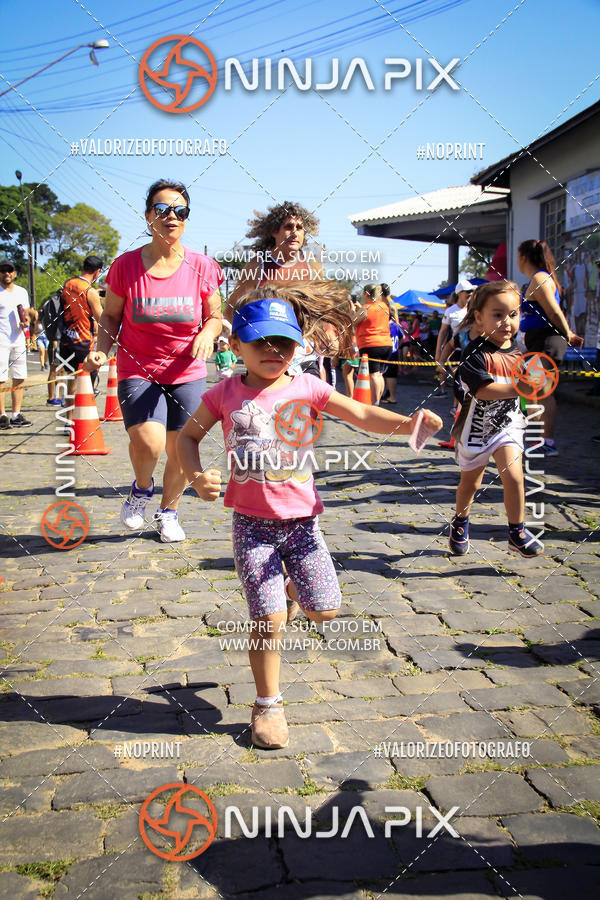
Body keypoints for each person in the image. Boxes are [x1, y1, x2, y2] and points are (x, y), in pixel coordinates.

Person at [177, 283, 442, 749]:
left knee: (324, 610)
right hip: (252, 527)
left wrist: (408, 424)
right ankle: (267, 705)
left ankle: (293, 589)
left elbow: (361, 413)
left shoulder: (309, 386)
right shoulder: (223, 394)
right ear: (235, 345)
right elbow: (186, 438)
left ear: (298, 346)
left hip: (303, 525)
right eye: (260, 341)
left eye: (283, 341)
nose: (273, 350)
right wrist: (197, 478)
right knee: (268, 620)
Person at [84, 179, 223, 542]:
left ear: (187, 218)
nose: (171, 216)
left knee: (180, 448)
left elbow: (215, 315)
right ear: (148, 217)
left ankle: (169, 511)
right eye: (162, 209)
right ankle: (141, 488)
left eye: (180, 210)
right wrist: (103, 348)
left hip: (187, 371)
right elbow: (111, 316)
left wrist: (208, 334)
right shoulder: (126, 266)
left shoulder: (203, 266)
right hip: (138, 368)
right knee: (149, 443)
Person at [449, 281, 544, 559]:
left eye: (513, 314)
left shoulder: (518, 351)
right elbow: (483, 390)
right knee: (470, 484)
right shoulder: (474, 353)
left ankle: (517, 532)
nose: (506, 322)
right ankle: (460, 520)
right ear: (479, 316)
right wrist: (519, 388)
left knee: (514, 476)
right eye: (498, 314)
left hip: (508, 426)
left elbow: (527, 385)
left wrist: (532, 400)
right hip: (476, 428)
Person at [517, 239, 583, 456]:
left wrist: (569, 333)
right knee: (532, 391)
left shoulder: (540, 278)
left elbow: (554, 312)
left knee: (543, 390)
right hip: (536, 341)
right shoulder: (532, 281)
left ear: (523, 257)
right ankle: (536, 439)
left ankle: (547, 441)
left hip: (548, 339)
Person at [58, 255, 104, 425]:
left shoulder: (68, 284)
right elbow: (101, 318)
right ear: (98, 271)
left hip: (66, 339)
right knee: (86, 381)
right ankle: (83, 421)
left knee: (71, 379)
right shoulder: (89, 291)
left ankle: (69, 420)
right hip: (83, 340)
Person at [0, 257, 32, 428]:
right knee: (0, 377)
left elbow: (25, 313)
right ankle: (2, 415)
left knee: (19, 376)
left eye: (9, 270)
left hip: (18, 338)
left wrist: (25, 322)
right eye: (3, 270)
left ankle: (16, 414)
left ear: (15, 273)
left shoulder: (21, 292)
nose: (6, 273)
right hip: (1, 339)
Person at [354, 283, 396, 405]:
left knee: (373, 375)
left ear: (366, 294)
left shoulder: (366, 308)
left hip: (370, 344)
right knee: (379, 374)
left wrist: (353, 309)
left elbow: (353, 321)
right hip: (386, 344)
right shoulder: (384, 306)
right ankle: (378, 400)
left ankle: (375, 402)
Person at [435, 279, 474, 395]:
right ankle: (455, 405)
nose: (470, 293)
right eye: (467, 291)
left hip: (473, 349)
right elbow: (443, 332)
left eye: (471, 291)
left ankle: (458, 406)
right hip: (456, 348)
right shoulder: (450, 311)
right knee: (460, 380)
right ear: (459, 293)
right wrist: (438, 352)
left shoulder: (474, 310)